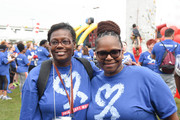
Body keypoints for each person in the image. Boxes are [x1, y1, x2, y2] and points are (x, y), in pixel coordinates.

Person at [87, 20, 179, 120]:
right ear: (96, 54)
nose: (109, 57)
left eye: (114, 52)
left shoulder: (147, 77)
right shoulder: (92, 82)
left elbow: (171, 117)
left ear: (122, 52)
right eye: (102, 53)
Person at [20, 22, 100, 120]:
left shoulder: (87, 67)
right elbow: (27, 115)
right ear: (49, 46)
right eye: (54, 42)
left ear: (74, 45)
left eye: (65, 41)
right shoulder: (36, 76)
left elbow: (112, 78)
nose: (59, 46)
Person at [151, 28, 180, 96]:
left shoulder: (157, 45)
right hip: (171, 73)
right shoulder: (178, 45)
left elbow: (152, 57)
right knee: (170, 94)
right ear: (172, 35)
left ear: (164, 35)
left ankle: (158, 105)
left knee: (157, 93)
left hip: (158, 73)